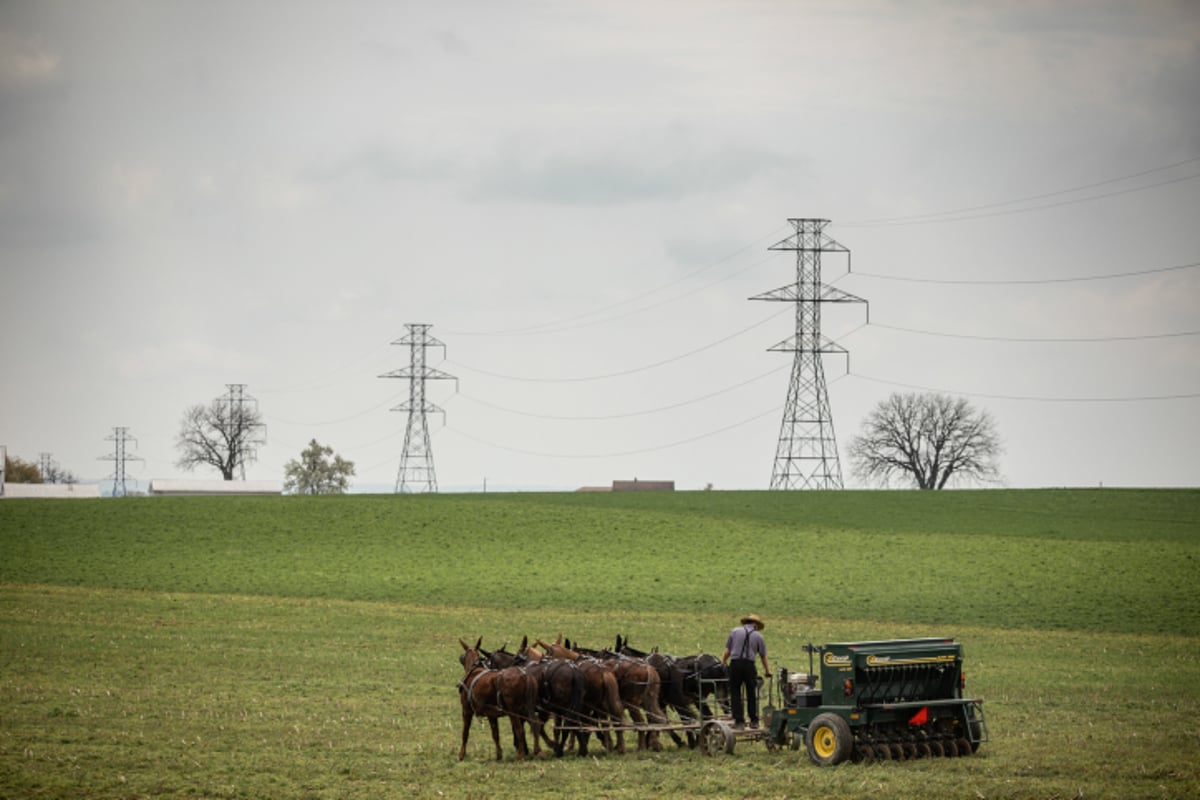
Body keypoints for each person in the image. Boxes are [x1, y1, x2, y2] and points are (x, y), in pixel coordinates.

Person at [721, 613, 770, 729]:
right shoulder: (759, 637)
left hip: (735, 664)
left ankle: (739, 721)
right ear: (756, 625)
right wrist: (767, 670)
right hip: (749, 665)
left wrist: (723, 661)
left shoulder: (735, 632)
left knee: (735, 693)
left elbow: (728, 650)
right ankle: (754, 720)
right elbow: (763, 656)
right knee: (751, 693)